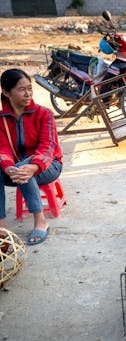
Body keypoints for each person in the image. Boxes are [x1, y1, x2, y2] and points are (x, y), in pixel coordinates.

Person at [0, 69, 63, 245]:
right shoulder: (1, 119)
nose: (28, 94)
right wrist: (7, 167)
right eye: (21, 89)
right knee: (15, 168)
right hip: (16, 168)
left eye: (30, 88)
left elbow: (48, 146)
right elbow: (2, 149)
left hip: (48, 166)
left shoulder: (44, 114)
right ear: (6, 92)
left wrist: (33, 166)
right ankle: (1, 227)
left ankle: (41, 221)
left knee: (23, 168)